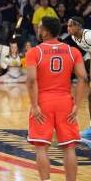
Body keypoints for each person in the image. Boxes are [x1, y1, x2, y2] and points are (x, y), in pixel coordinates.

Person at [26, 17, 88, 181]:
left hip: (43, 102)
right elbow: (84, 78)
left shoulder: (34, 52)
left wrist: (34, 105)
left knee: (41, 148)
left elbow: (31, 81)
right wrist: (77, 106)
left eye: (39, 27)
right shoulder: (72, 51)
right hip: (65, 102)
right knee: (69, 147)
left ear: (45, 32)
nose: (38, 30)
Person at [67, 16, 91, 140]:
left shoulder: (88, 36)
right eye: (67, 25)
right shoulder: (74, 37)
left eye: (71, 25)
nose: (68, 28)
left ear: (79, 26)